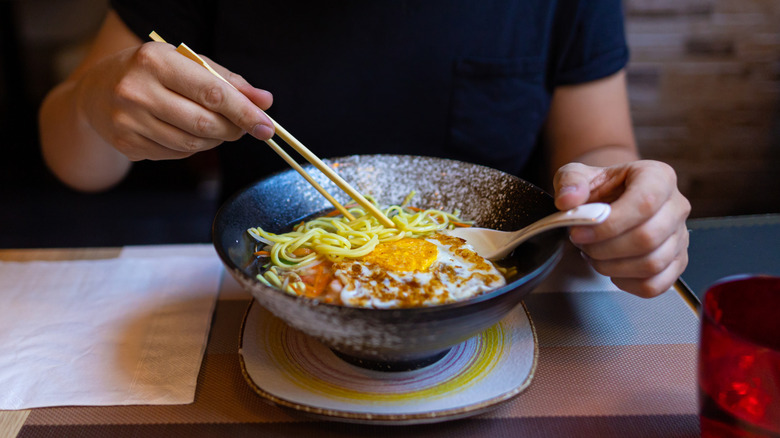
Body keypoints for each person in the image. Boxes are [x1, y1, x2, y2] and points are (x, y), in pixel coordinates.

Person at [38, 0, 690, 298]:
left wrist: (619, 205)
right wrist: (97, 101)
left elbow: (600, 147)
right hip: (262, 296)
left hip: (501, 306)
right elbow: (74, 161)